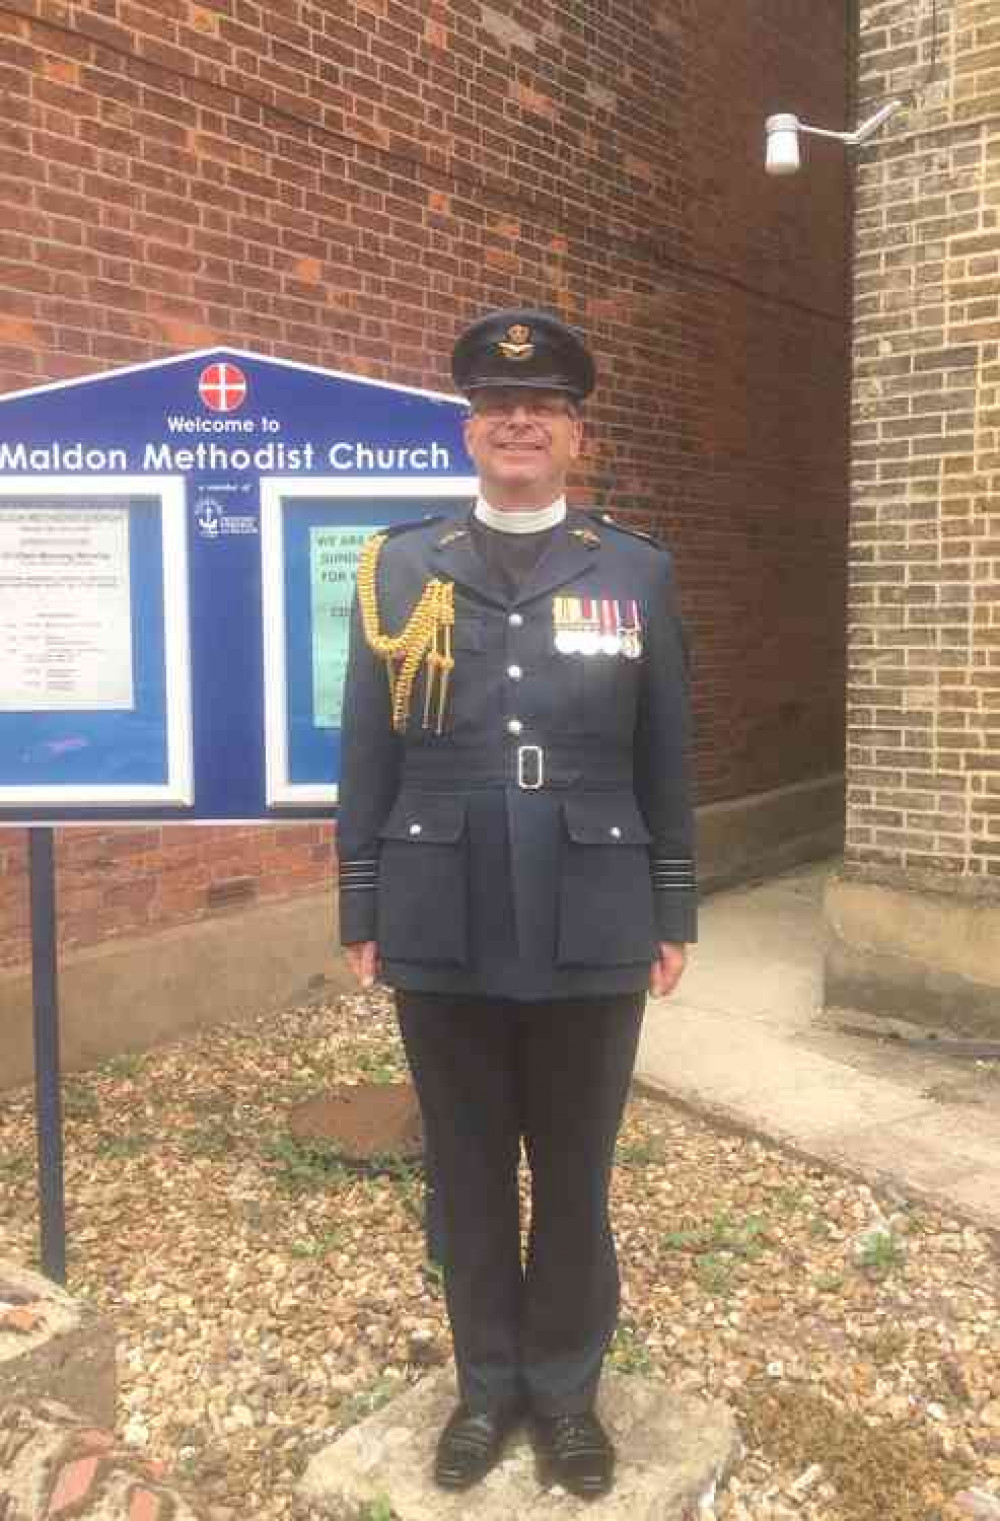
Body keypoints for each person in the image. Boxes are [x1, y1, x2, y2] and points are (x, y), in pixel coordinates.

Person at [336, 307, 696, 1498]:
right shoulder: (401, 564)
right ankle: (486, 1389)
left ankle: (567, 1392)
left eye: (540, 407)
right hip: (439, 901)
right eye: (498, 408)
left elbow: (665, 749)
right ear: (469, 430)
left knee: (577, 1168)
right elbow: (366, 747)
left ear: (574, 434)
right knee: (470, 1163)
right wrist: (362, 899)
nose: (519, 421)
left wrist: (673, 902)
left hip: (594, 901)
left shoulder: (633, 567)